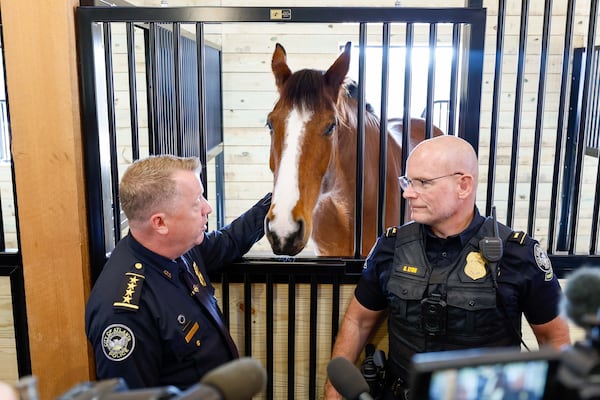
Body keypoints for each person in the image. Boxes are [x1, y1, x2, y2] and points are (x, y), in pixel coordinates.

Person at [324, 135, 571, 400]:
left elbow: (554, 340)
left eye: (423, 182)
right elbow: (358, 321)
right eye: (408, 181)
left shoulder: (517, 253)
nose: (408, 192)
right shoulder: (391, 246)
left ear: (463, 185)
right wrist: (333, 390)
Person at [85, 155, 271, 390]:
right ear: (160, 223)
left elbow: (228, 242)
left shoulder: (180, 246)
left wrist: (275, 202)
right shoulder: (125, 312)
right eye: (196, 202)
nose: (207, 207)